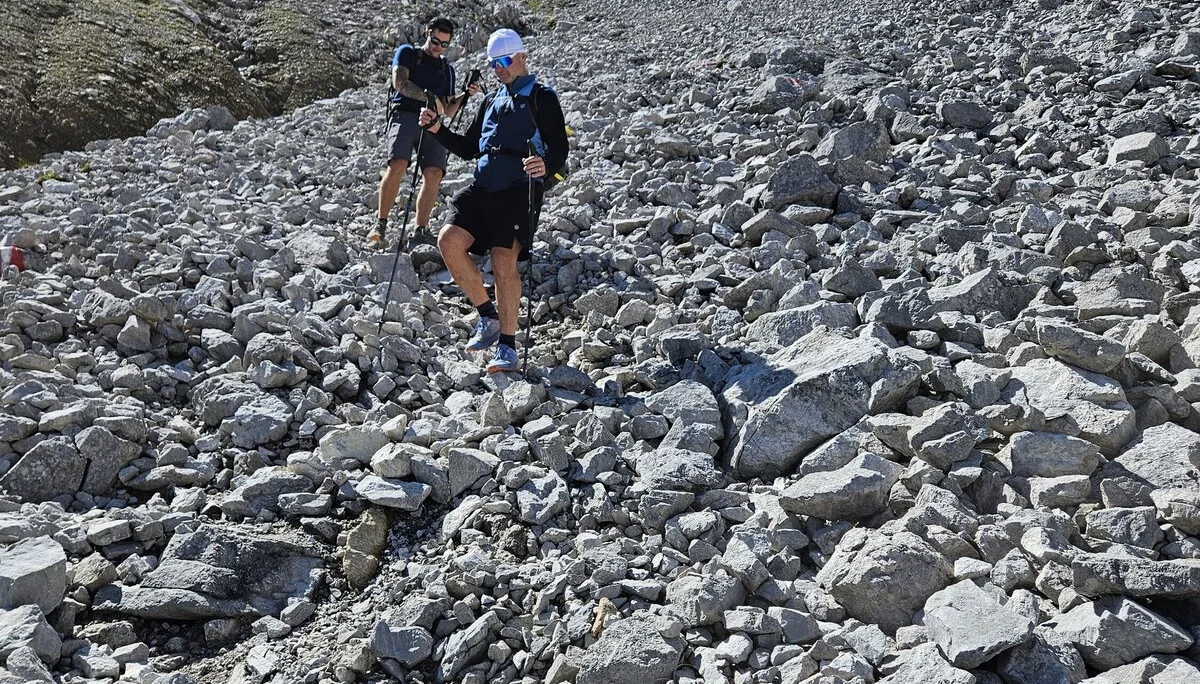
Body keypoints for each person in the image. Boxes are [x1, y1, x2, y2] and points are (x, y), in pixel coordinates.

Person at [418, 28, 568, 374]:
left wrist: (546, 165)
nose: (499, 68)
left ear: (521, 57)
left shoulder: (542, 97)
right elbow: (470, 147)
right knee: (448, 240)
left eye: (504, 61)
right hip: (483, 186)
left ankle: (508, 347)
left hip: (518, 189)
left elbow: (560, 145)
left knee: (503, 259)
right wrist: (437, 129)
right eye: (493, 63)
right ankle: (488, 316)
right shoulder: (490, 100)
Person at [370, 17, 479, 247]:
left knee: (434, 173)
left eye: (444, 44)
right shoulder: (408, 53)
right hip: (405, 115)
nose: (438, 47)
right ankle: (380, 223)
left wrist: (465, 95)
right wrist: (429, 98)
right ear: (427, 33)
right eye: (435, 41)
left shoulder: (447, 70)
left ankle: (421, 228)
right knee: (398, 163)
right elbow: (400, 83)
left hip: (433, 123)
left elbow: (448, 110)